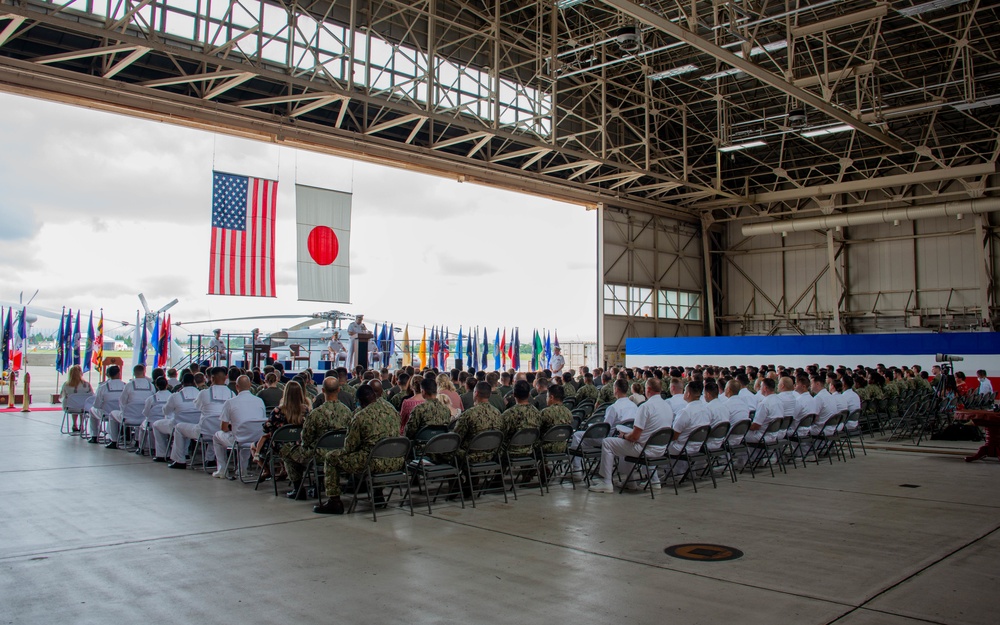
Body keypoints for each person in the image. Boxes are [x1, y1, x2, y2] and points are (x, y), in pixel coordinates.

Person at [313, 385, 401, 515]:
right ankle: (378, 495)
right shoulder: (391, 410)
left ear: (360, 401)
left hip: (373, 463)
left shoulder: (360, 416)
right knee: (373, 452)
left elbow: (349, 447)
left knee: (331, 458)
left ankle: (334, 502)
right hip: (396, 460)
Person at [589, 377, 673, 493]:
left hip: (644, 449)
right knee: (625, 444)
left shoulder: (645, 407)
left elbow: (634, 437)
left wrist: (624, 436)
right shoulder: (667, 405)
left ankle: (607, 482)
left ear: (647, 389)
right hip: (661, 447)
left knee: (608, 442)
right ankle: (638, 481)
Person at [282, 377, 353, 499]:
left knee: (287, 450)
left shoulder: (316, 413)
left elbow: (306, 439)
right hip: (341, 453)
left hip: (318, 454)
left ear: (323, 390)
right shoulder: (348, 412)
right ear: (339, 390)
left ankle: (298, 489)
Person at [168, 367, 233, 470]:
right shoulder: (232, 394)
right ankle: (210, 459)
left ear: (211, 378)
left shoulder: (204, 393)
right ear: (226, 377)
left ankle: (180, 460)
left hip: (203, 431)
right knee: (216, 429)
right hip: (222, 431)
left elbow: (197, 407)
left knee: (179, 427)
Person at [211, 376, 268, 479]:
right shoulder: (260, 401)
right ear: (250, 386)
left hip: (239, 439)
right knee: (246, 435)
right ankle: (242, 470)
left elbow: (223, 428)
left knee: (216, 437)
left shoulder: (230, 402)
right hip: (256, 440)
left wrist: (232, 428)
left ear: (237, 386)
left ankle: (222, 469)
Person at [251, 380, 311, 474]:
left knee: (253, 446)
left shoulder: (278, 411)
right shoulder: (305, 410)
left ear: (285, 393)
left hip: (279, 446)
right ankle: (284, 470)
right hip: (299, 444)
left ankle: (266, 471)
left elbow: (266, 428)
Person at [153, 373, 200, 462]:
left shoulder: (176, 396)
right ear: (194, 382)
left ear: (182, 382)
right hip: (195, 426)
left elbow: (166, 411)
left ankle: (162, 454)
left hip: (177, 426)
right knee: (188, 422)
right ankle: (184, 452)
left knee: (156, 425)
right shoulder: (201, 394)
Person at [105, 364, 155, 449]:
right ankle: (137, 440)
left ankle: (114, 441)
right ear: (144, 372)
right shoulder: (151, 386)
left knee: (112, 414)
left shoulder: (129, 385)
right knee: (140, 413)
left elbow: (122, 401)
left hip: (129, 417)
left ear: (134, 373)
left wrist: (124, 410)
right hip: (145, 418)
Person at [501, 380, 541, 456]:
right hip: (530, 450)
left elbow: (502, 434)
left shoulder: (508, 414)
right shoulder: (537, 413)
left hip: (510, 451)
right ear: (529, 394)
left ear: (514, 395)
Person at [87, 365, 125, 444]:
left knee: (92, 410)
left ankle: (94, 436)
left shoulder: (103, 387)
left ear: (108, 375)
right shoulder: (125, 386)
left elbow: (97, 404)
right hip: (121, 413)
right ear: (119, 374)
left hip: (105, 413)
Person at [538, 384, 573, 453]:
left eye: (547, 397)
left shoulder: (546, 412)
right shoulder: (569, 413)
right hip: (563, 446)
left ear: (551, 397)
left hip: (546, 447)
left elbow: (537, 427)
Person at [138, 376, 172, 447]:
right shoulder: (172, 397)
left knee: (142, 427)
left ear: (156, 386)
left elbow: (146, 413)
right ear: (167, 384)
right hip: (168, 422)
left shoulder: (151, 399)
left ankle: (141, 447)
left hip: (152, 422)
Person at [60, 364, 93, 433]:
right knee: (82, 405)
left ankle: (74, 424)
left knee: (73, 403)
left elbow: (62, 396)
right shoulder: (86, 385)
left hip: (70, 407)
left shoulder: (66, 385)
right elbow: (91, 395)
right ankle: (81, 424)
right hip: (83, 408)